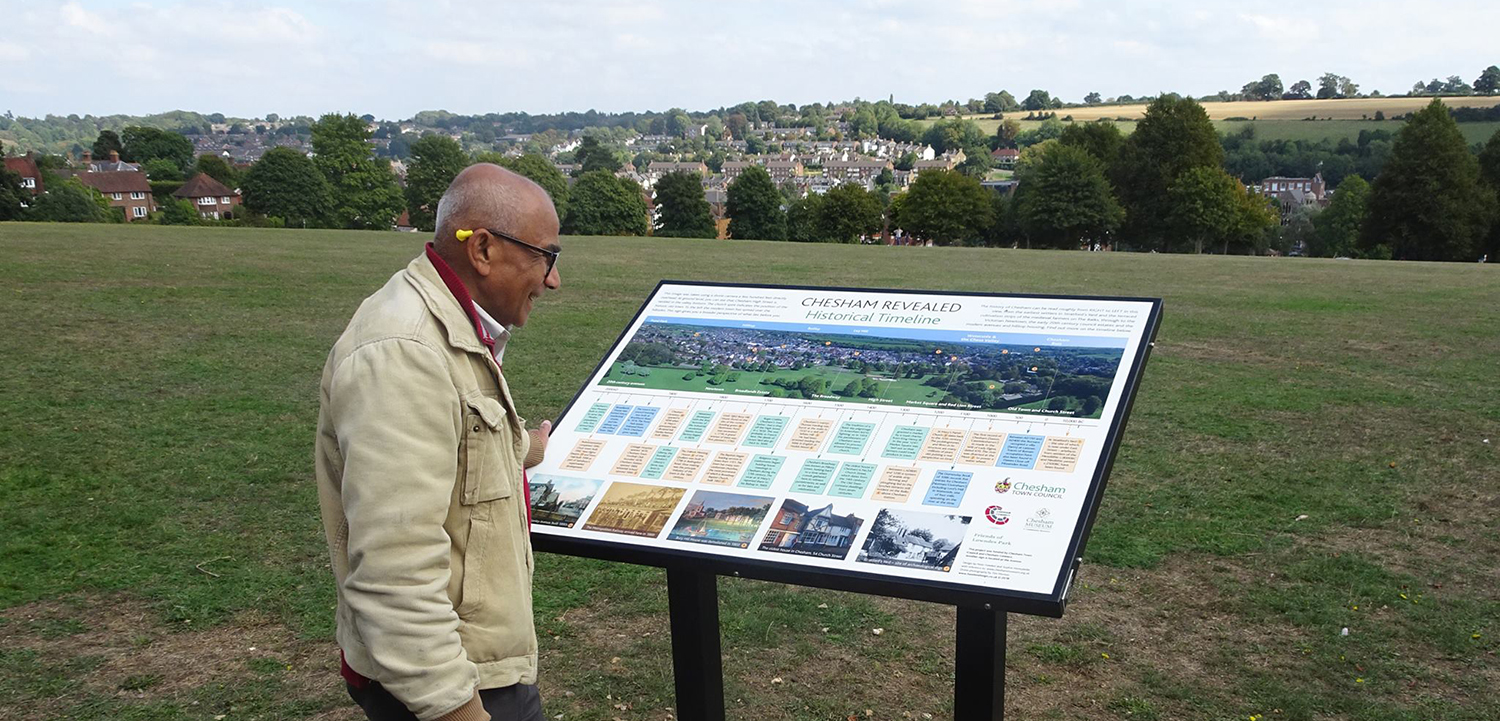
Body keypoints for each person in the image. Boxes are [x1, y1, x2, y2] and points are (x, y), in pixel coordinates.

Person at [314, 164, 561, 721]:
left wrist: (520, 448)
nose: (552, 280)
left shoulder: (447, 323)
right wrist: (457, 707)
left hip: (474, 668)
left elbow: (447, 443)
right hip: (451, 687)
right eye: (547, 255)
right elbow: (394, 573)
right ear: (484, 251)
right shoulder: (403, 353)